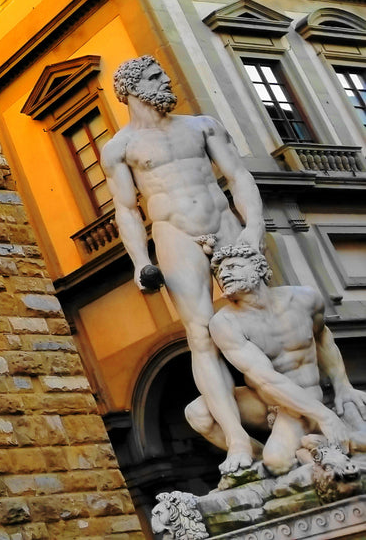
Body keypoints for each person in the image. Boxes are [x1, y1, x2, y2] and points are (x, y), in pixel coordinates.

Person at [101, 55, 264, 475]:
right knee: (200, 334)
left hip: (223, 221)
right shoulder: (119, 148)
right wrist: (140, 262)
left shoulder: (202, 125)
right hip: (175, 234)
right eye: (155, 77)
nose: (165, 80)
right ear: (132, 89)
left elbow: (238, 176)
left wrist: (253, 230)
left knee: (258, 317)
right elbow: (126, 210)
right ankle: (237, 440)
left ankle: (288, 410)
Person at [188, 243, 366, 475]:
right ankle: (261, 463)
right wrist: (325, 416)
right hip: (267, 399)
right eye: (219, 272)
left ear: (259, 268)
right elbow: (265, 380)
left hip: (308, 393)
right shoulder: (225, 323)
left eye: (233, 266)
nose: (224, 274)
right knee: (197, 412)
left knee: (278, 461)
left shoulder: (305, 299)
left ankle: (307, 450)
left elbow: (323, 337)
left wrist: (343, 385)